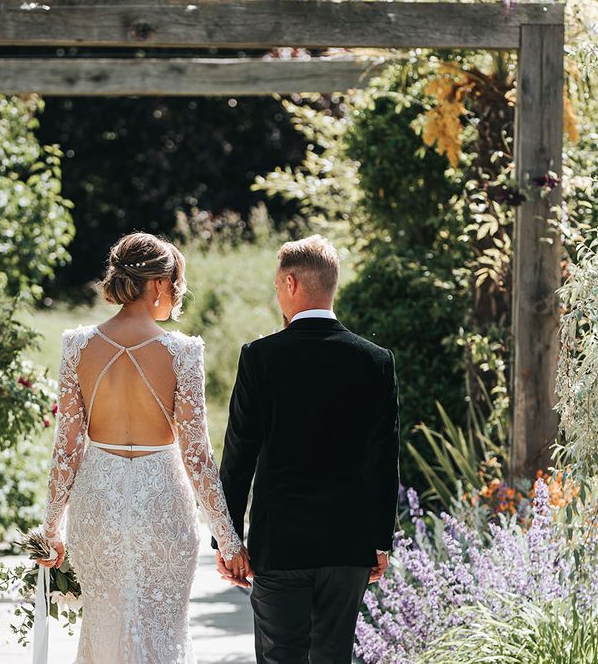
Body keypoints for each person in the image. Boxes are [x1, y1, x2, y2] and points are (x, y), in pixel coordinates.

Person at [38, 231, 250, 663]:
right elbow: (198, 458)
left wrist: (51, 530)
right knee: (163, 629)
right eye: (177, 286)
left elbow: (67, 449)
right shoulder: (182, 352)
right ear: (157, 284)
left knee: (104, 627)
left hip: (99, 503)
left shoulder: (77, 347)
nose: (178, 296)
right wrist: (229, 543)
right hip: (163, 504)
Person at [213, 234, 400, 663]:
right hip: (347, 546)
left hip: (279, 546)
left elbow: (238, 455)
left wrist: (228, 540)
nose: (277, 295)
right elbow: (383, 460)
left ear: (293, 283)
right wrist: (379, 540)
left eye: (278, 286)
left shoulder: (260, 357)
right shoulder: (376, 361)